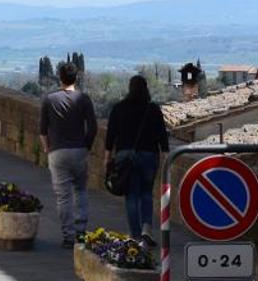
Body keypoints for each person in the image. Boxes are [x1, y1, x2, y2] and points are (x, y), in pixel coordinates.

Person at [105, 74, 169, 239]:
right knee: (147, 193)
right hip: (149, 156)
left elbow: (110, 135)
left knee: (131, 195)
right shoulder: (153, 109)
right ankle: (146, 229)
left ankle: (135, 235)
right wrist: (166, 157)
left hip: (125, 156)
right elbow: (162, 135)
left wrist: (107, 157)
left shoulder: (119, 108)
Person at [39, 63, 97, 243]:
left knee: (63, 196)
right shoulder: (84, 99)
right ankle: (81, 231)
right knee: (80, 190)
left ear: (60, 77)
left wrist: (47, 147)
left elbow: (42, 130)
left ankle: (68, 235)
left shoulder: (50, 99)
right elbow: (93, 127)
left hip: (57, 152)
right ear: (76, 78)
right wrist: (86, 146)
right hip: (79, 150)